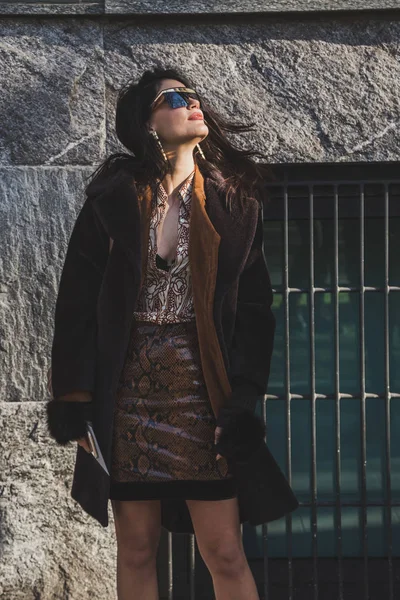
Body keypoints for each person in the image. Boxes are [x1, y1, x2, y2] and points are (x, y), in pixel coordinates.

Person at [46, 67, 298, 600]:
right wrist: (74, 396)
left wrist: (244, 398)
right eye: (175, 97)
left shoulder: (234, 205)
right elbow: (75, 306)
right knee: (136, 548)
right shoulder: (112, 201)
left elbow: (255, 312)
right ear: (147, 123)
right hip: (128, 394)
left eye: (193, 93)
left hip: (202, 393)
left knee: (224, 551)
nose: (193, 101)